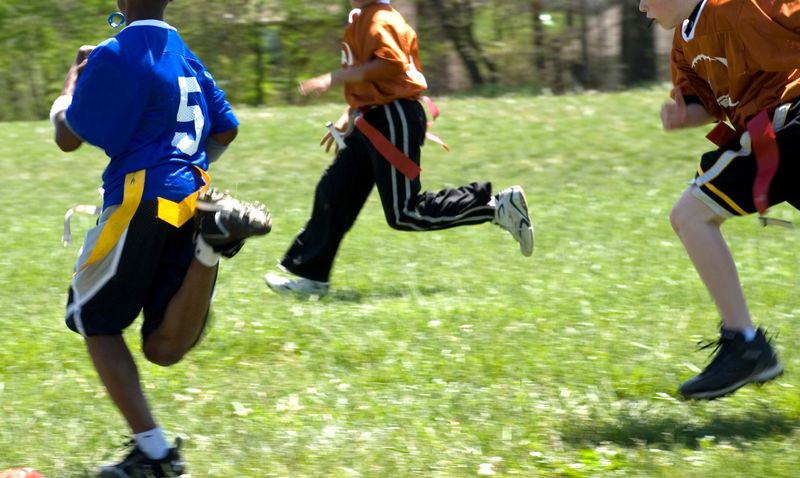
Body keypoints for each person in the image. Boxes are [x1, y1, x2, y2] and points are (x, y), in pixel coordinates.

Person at [50, 0, 271, 475]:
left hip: (138, 197)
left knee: (94, 320)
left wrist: (71, 82)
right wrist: (188, 173)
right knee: (163, 348)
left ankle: (154, 455)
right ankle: (209, 248)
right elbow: (226, 128)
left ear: (120, 2)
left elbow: (67, 136)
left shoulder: (114, 51)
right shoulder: (183, 50)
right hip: (191, 198)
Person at [264, 0, 534, 298]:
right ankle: (311, 278)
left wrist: (335, 78)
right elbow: (378, 78)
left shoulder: (378, 18)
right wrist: (349, 113)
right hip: (374, 118)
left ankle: (497, 207)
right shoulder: (363, 18)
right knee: (334, 191)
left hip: (393, 118)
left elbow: (391, 64)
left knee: (404, 212)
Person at [638, 0, 800, 399]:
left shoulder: (741, 6)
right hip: (773, 136)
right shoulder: (684, 39)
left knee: (691, 215)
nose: (641, 6)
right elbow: (704, 103)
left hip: (788, 124)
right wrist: (684, 116)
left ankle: (745, 344)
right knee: (691, 215)